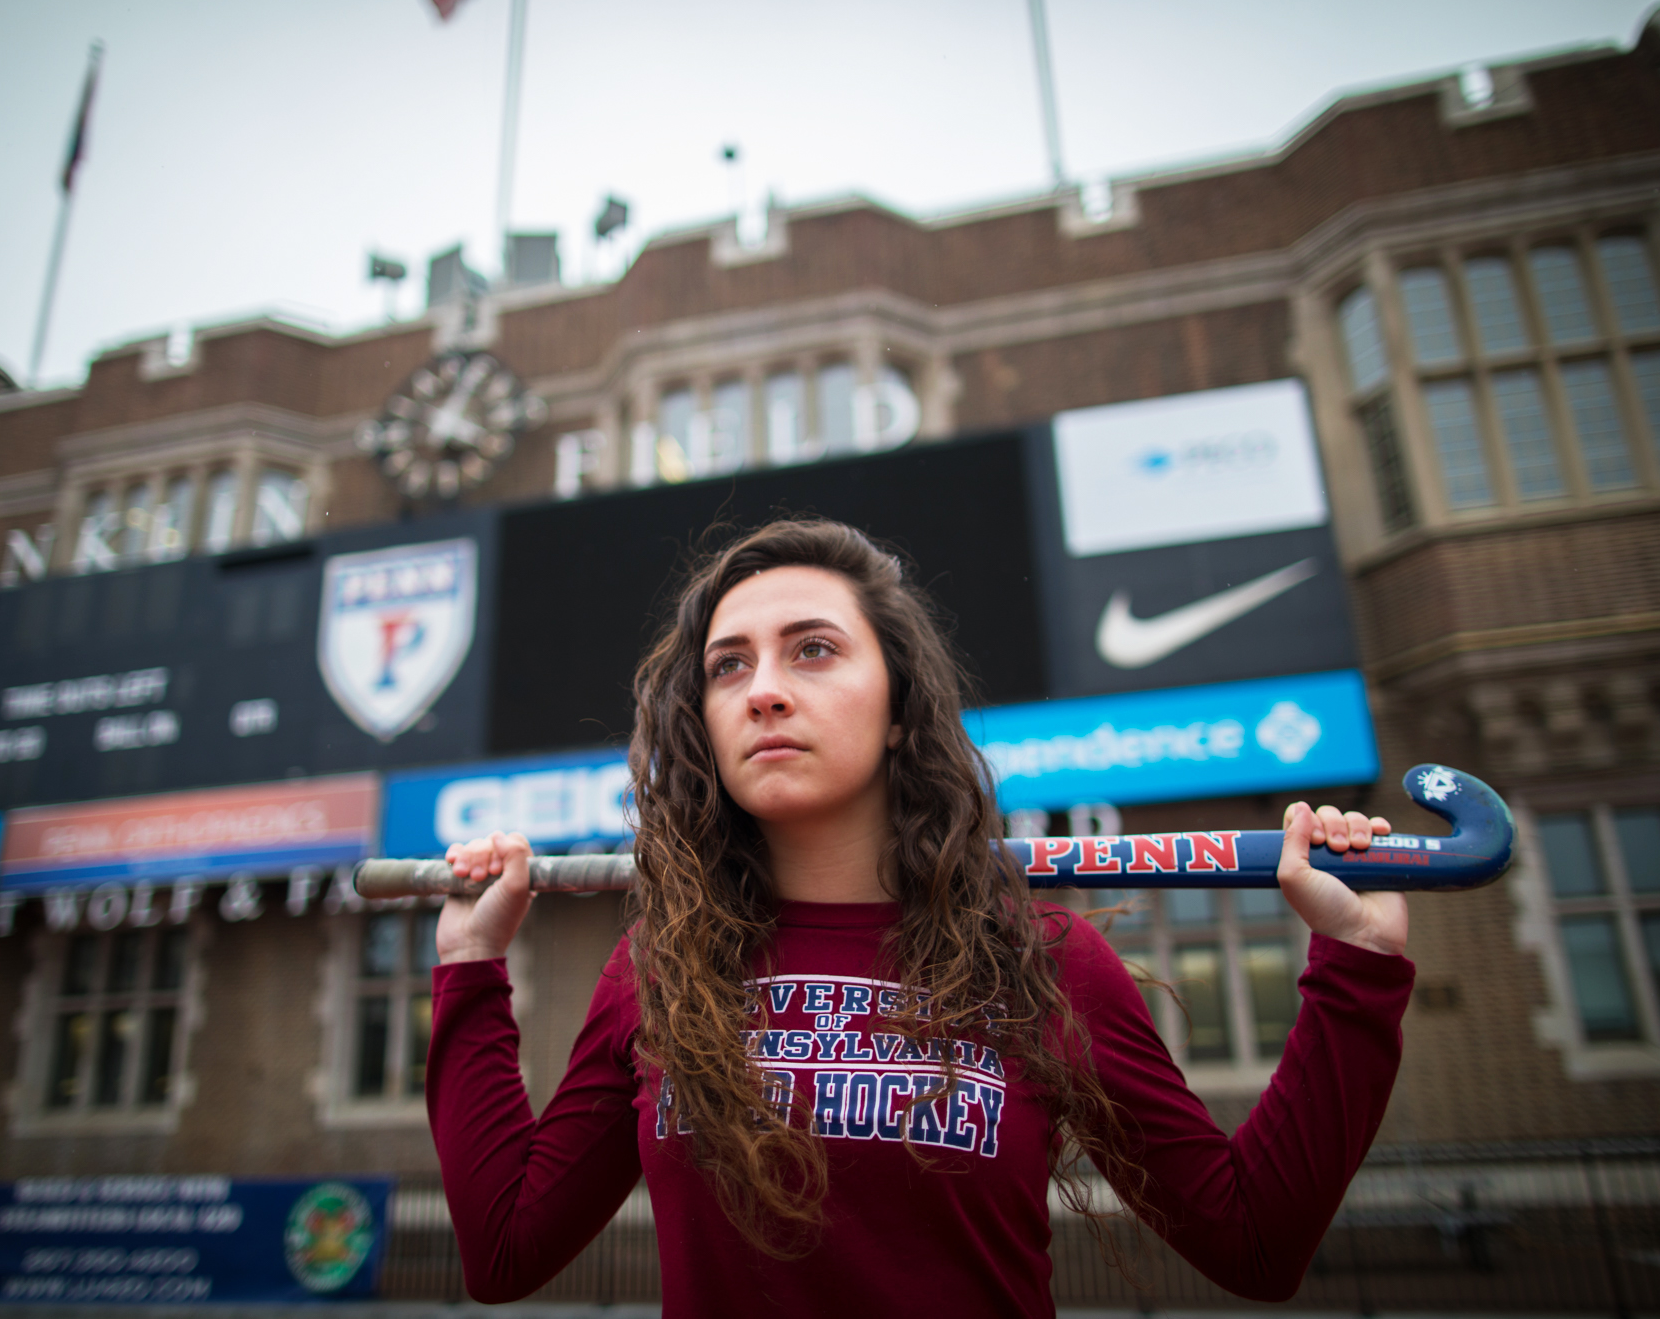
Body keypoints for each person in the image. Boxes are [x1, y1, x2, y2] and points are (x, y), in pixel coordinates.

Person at [425, 519, 1413, 1316]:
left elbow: (1251, 1241)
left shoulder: (1042, 961)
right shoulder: (661, 967)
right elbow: (506, 1251)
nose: (763, 689)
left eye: (811, 650)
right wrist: (469, 968)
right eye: (727, 666)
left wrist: (1358, 965)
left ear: (897, 707)